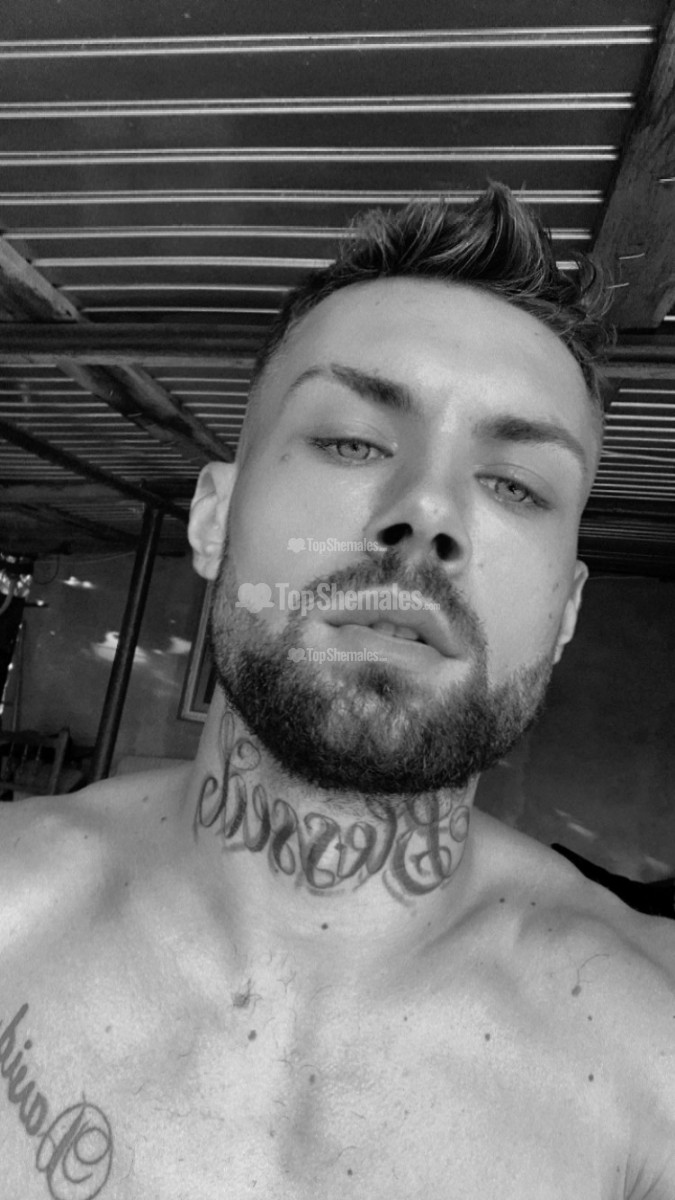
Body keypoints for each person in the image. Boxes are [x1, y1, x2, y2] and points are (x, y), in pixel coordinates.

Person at [0, 184, 673, 1200]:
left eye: (516, 485)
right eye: (353, 441)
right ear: (215, 518)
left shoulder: (655, 1037)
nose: (428, 511)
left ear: (568, 608)